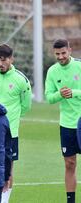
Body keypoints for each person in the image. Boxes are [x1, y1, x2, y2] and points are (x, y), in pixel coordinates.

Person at [0, 43, 32, 203]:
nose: (0, 64)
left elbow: (26, 106)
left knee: (8, 169)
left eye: (4, 60)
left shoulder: (21, 80)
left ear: (11, 59)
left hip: (10, 133)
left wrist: (10, 120)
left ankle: (4, 201)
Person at [44, 39, 81, 203]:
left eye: (63, 53)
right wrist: (60, 94)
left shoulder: (79, 66)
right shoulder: (52, 71)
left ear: (70, 51)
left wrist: (73, 92)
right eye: (57, 54)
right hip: (66, 124)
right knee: (69, 164)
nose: (60, 57)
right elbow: (49, 97)